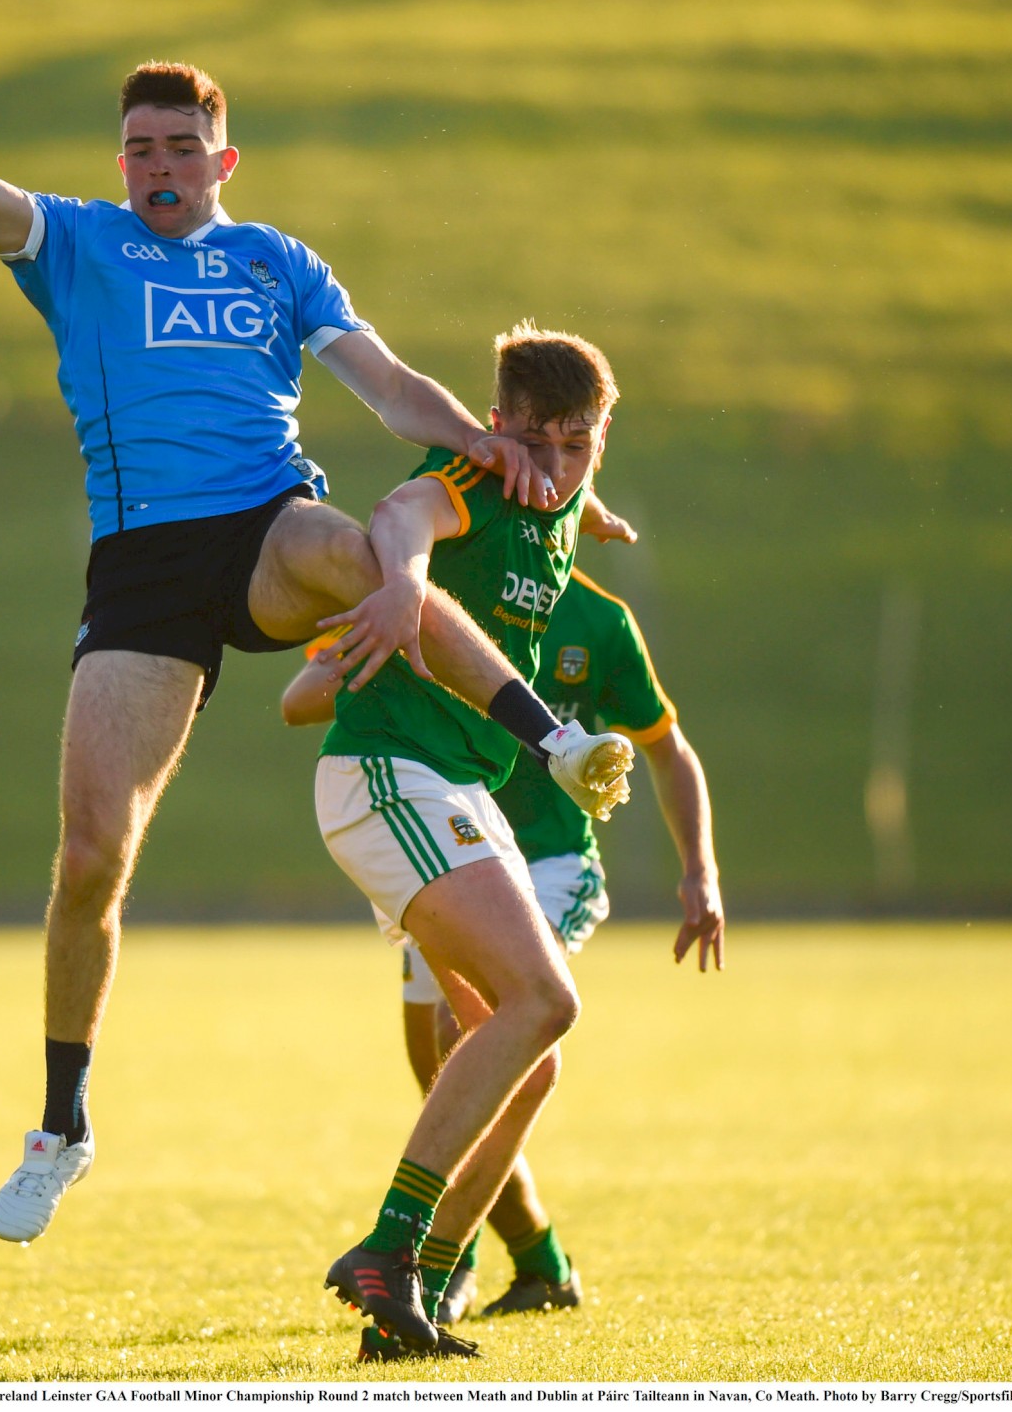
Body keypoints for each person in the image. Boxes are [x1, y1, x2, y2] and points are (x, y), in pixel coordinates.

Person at [0, 7, 631, 1246]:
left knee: (366, 549)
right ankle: (61, 1125)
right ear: (120, 162)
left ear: (220, 162)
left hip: (263, 524)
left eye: (179, 148)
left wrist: (483, 441)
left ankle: (546, 739)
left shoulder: (274, 263)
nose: (157, 166)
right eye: (139, 147)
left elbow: (384, 379)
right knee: (93, 851)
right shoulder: (76, 245)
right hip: (143, 572)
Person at [305, 323, 640, 1358]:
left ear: (597, 441)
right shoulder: (471, 476)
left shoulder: (564, 502)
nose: (545, 466)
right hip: (389, 772)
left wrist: (590, 505)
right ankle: (401, 1251)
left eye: (573, 445)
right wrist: (403, 577)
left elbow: (567, 499)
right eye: (527, 439)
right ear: (492, 427)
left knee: (526, 1053)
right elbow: (403, 509)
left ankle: (411, 1295)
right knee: (547, 1001)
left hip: (456, 786)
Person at [285, 558, 725, 1331]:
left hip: (550, 862)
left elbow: (667, 745)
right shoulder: (448, 590)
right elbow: (298, 699)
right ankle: (537, 1256)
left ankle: (432, 1259)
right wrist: (367, 660)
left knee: (496, 1029)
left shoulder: (602, 623)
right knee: (444, 1068)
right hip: (446, 842)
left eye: (568, 459)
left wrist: (700, 869)